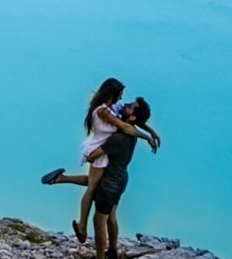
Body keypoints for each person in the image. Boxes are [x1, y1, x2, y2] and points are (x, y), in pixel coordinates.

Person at [39, 78, 160, 243]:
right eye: (120, 95)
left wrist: (152, 131)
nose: (122, 99)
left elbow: (134, 119)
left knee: (96, 182)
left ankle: (60, 178)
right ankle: (82, 225)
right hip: (98, 150)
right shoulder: (103, 111)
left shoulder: (114, 106)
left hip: (103, 150)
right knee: (92, 187)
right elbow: (125, 126)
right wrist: (147, 138)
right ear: (112, 94)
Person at [75, 97, 152, 259]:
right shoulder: (131, 132)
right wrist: (150, 134)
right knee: (111, 217)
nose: (126, 105)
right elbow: (131, 123)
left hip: (110, 183)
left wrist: (89, 151)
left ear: (132, 118)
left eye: (130, 107)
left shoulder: (118, 138)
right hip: (121, 178)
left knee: (99, 221)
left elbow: (94, 156)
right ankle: (112, 253)